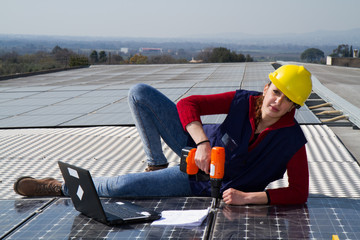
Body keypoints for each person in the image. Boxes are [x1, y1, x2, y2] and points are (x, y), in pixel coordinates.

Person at [14, 64, 312, 205]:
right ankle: (155, 162)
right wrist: (203, 142)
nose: (278, 102)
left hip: (199, 181)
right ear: (266, 88)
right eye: (276, 92)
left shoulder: (291, 140)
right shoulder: (243, 101)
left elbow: (300, 192)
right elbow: (188, 104)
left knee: (118, 187)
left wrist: (250, 198)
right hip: (192, 145)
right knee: (139, 93)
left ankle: (59, 187)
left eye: (288, 100)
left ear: (294, 106)